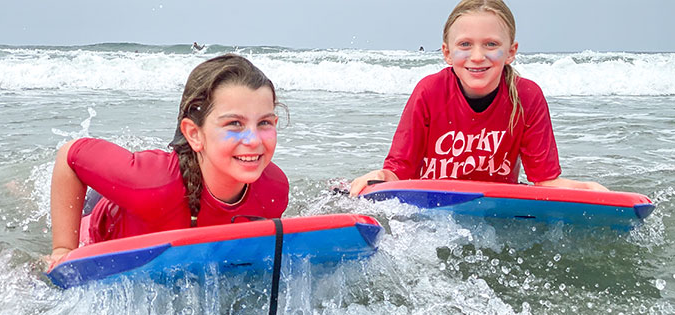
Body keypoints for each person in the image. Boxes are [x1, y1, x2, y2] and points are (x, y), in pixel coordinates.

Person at [48, 54, 289, 266]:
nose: (254, 140)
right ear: (194, 133)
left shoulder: (274, 189)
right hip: (104, 214)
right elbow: (69, 156)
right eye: (234, 124)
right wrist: (63, 249)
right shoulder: (149, 182)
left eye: (264, 122)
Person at [349, 0, 607, 196]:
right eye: (465, 45)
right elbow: (398, 171)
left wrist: (590, 188)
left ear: (511, 52)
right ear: (447, 53)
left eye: (491, 44)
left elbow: (546, 181)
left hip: (496, 208)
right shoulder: (430, 92)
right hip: (433, 207)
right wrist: (378, 175)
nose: (477, 56)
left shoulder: (527, 97)